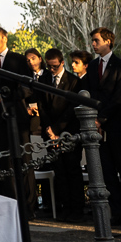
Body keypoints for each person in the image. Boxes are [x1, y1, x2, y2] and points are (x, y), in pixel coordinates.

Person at [83, 27, 121, 222]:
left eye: (96, 40)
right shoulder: (93, 65)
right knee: (107, 170)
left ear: (108, 42)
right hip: (98, 125)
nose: (93, 44)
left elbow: (119, 97)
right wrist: (94, 119)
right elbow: (89, 92)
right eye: (93, 41)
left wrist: (101, 119)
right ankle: (117, 210)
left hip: (116, 123)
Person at [0, 25, 32, 198]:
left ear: (5, 38)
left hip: (17, 115)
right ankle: (11, 200)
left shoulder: (18, 59)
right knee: (4, 160)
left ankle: (28, 204)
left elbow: (28, 87)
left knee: (24, 160)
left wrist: (8, 96)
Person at [39, 48, 84, 217]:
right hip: (50, 132)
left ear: (62, 62)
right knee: (59, 170)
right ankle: (64, 207)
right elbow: (41, 106)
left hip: (69, 131)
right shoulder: (43, 79)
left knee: (72, 169)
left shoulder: (73, 81)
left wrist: (58, 130)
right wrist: (50, 130)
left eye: (55, 66)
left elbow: (72, 108)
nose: (52, 70)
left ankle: (77, 209)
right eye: (49, 66)